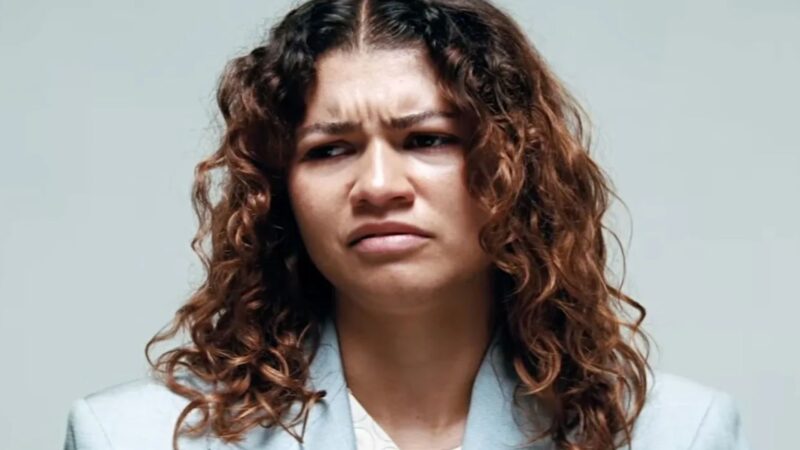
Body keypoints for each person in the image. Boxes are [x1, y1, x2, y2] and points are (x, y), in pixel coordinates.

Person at [63, 1, 752, 449]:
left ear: (515, 166)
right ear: (278, 192)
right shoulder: (130, 438)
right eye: (329, 150)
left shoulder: (677, 434)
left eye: (427, 140)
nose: (378, 186)